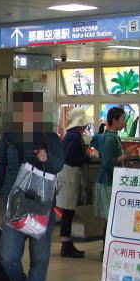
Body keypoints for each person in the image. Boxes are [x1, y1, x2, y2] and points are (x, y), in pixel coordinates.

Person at [0, 92, 64, 281]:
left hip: (41, 207)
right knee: (8, 256)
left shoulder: (49, 137)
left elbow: (59, 164)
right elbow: (0, 168)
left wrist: (46, 157)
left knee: (40, 259)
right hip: (15, 206)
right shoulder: (8, 137)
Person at [56, 108, 92, 258]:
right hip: (69, 176)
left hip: (66, 175)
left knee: (68, 212)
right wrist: (87, 158)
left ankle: (67, 243)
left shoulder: (70, 135)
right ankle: (66, 245)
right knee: (68, 212)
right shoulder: (75, 137)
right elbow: (70, 158)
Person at [93, 107, 130, 221]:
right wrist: (125, 156)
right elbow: (107, 163)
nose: (124, 122)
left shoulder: (114, 137)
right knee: (111, 218)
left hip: (110, 181)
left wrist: (125, 163)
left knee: (112, 219)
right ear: (114, 121)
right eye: (123, 119)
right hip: (107, 182)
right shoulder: (110, 139)